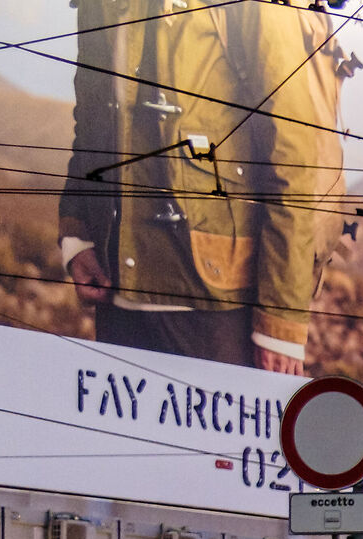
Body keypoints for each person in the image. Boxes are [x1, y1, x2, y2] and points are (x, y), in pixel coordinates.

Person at [59, 0, 343, 372]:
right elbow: (91, 114)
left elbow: (293, 151)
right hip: (118, 287)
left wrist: (280, 320)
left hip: (218, 301)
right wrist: (78, 233)